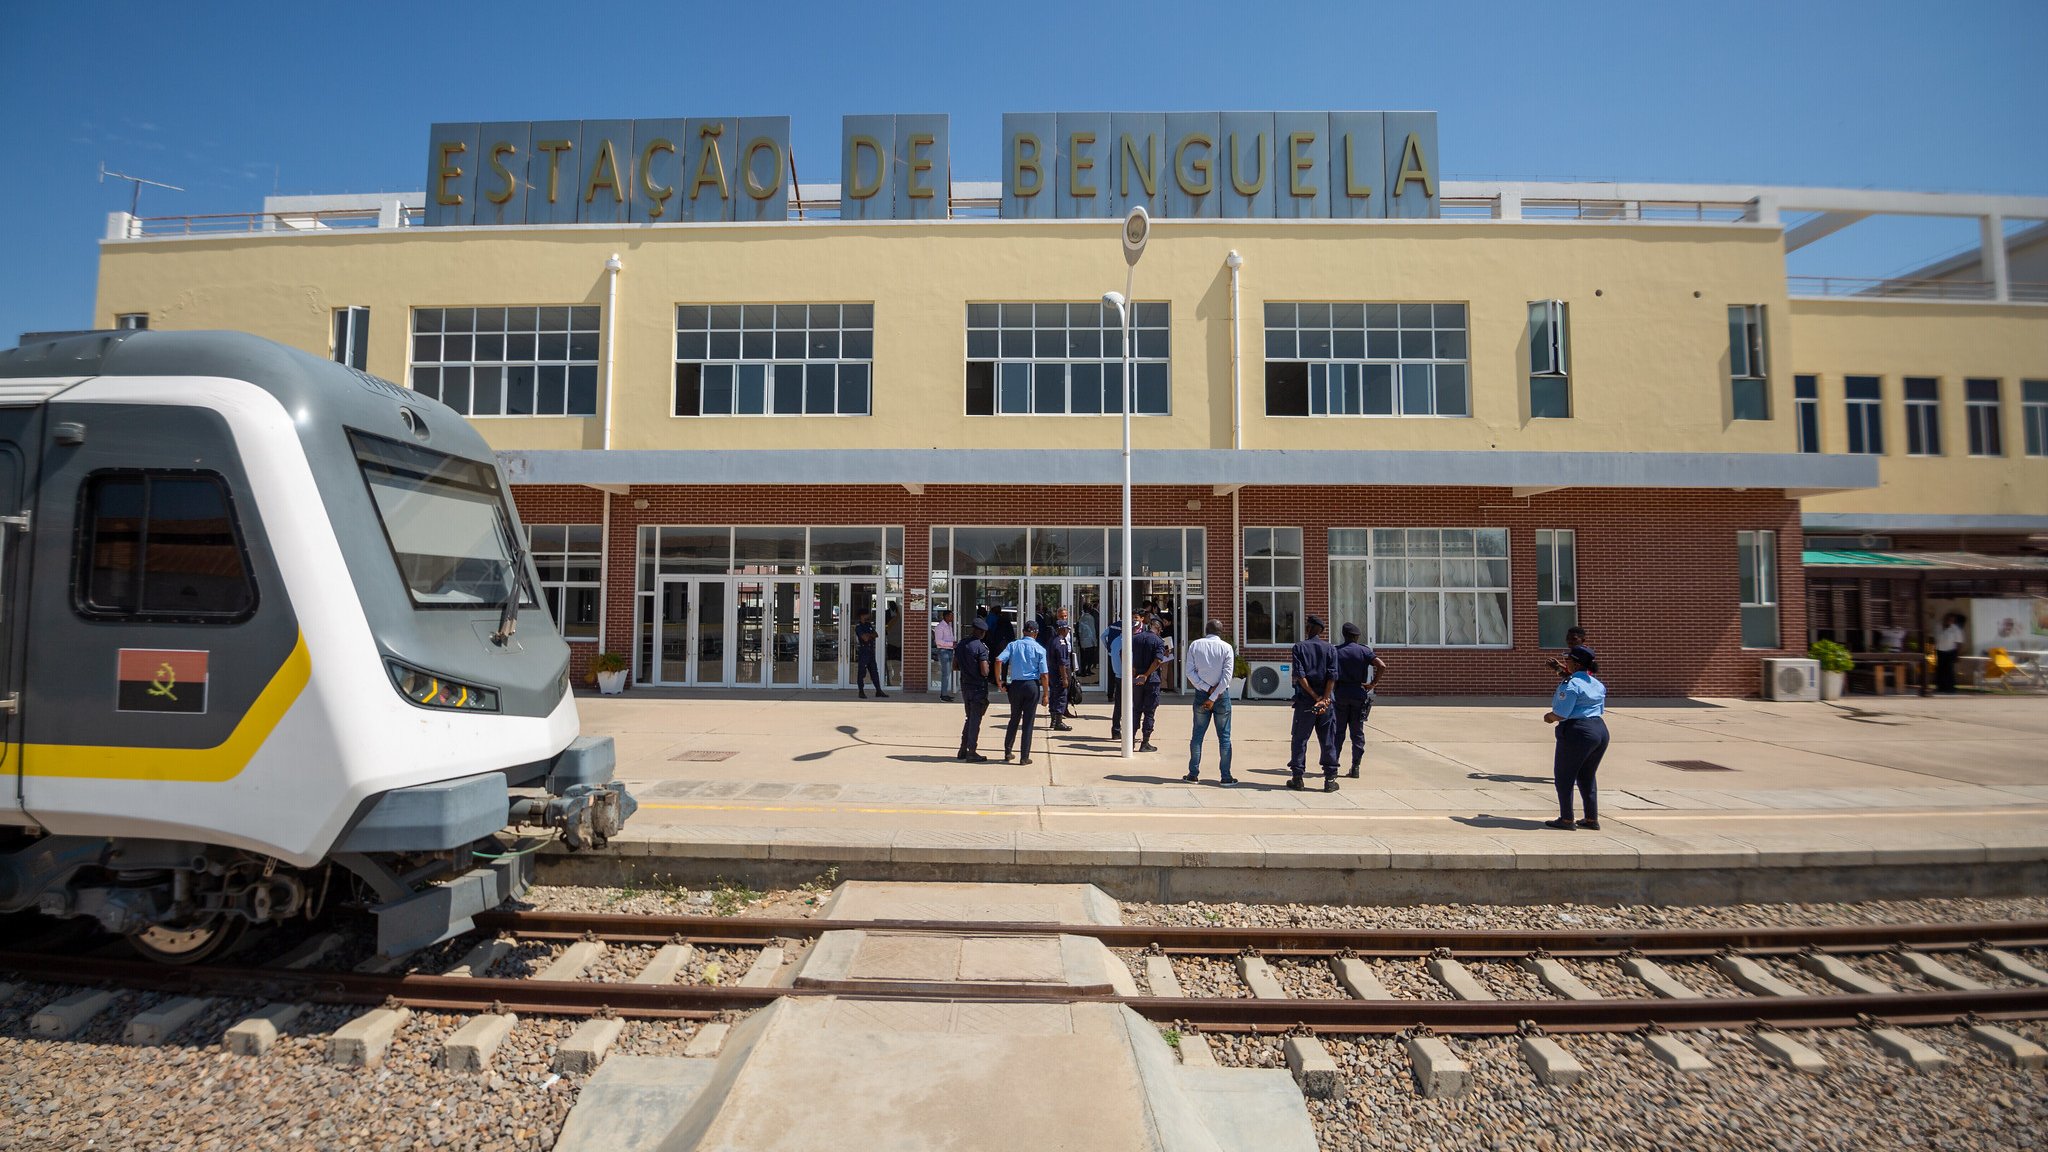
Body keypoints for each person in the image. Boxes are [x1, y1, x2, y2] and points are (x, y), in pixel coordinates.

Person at [1543, 645, 1609, 830]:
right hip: (1600, 730)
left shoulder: (1570, 684)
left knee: (1564, 776)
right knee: (1587, 776)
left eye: (1567, 660)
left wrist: (1549, 717)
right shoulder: (1596, 683)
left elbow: (1561, 713)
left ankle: (1566, 819)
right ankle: (1591, 818)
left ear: (1575, 663)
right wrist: (1560, 671)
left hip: (1577, 731)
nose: (1565, 663)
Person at [1288, 615, 1340, 791]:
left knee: (1300, 739)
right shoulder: (1331, 649)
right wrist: (1325, 698)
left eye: (1307, 626)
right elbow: (1332, 676)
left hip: (1306, 702)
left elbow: (1300, 675)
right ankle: (1330, 779)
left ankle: (1298, 777)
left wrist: (1314, 696)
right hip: (1326, 703)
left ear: (1310, 628)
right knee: (1327, 740)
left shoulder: (1299, 648)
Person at [1331, 622, 1390, 779]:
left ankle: (1333, 767)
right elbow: (1381, 665)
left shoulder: (1336, 651)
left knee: (1338, 732)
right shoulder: (1364, 650)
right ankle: (1356, 766)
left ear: (1344, 635)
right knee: (1357, 733)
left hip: (1341, 693)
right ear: (1357, 636)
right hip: (1359, 692)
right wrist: (1373, 684)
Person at [1182, 619, 1236, 786]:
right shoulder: (1227, 648)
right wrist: (1214, 694)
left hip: (1201, 695)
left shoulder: (1195, 645)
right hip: (1221, 696)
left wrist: (1206, 688)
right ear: (1221, 631)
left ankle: (1193, 774)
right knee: (1224, 738)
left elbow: (1189, 672)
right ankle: (1226, 777)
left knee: (1197, 736)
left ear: (1206, 630)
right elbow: (1227, 677)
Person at [997, 620, 1051, 764]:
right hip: (1031, 685)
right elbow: (1044, 674)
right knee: (1028, 722)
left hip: (1016, 686)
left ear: (1023, 632)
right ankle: (1024, 756)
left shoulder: (1013, 645)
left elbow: (998, 660)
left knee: (1014, 718)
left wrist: (999, 681)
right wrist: (1046, 694)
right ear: (1036, 633)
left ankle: (1008, 751)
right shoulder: (1040, 649)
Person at [955, 621, 993, 762]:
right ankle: (972, 751)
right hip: (978, 687)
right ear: (982, 632)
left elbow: (955, 665)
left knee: (969, 717)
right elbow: (984, 671)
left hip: (965, 685)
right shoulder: (980, 648)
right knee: (975, 719)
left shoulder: (961, 644)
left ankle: (963, 749)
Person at [1130, 614, 1167, 752]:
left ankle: (1131, 740)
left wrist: (1132, 668)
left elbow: (1123, 653)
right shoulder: (1158, 641)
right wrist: (1146, 675)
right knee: (1149, 712)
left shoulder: (1136, 638)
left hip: (1136, 679)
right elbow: (1158, 661)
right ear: (1158, 629)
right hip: (1151, 680)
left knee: (1136, 710)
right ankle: (1145, 742)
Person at [1047, 622, 1076, 732]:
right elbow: (1062, 663)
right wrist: (1064, 678)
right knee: (1061, 696)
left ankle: (1053, 720)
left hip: (1052, 673)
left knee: (1053, 695)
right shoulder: (1061, 642)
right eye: (1067, 629)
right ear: (1062, 629)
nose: (1068, 631)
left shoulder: (1052, 640)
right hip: (1059, 673)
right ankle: (1058, 721)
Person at [855, 609, 886, 699]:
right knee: (861, 672)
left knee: (874, 672)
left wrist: (868, 635)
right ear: (862, 615)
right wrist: (869, 635)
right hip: (863, 652)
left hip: (871, 652)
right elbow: (864, 638)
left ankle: (878, 691)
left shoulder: (868, 625)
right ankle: (861, 691)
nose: (868, 616)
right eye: (866, 614)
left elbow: (876, 634)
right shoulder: (858, 626)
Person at [1934, 612, 1966, 694]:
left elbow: (1959, 642)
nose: (1949, 621)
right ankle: (1941, 687)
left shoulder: (1955, 629)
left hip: (1950, 651)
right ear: (1945, 618)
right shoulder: (1938, 626)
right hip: (1940, 651)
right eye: (1948, 619)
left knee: (1949, 670)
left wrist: (1958, 654)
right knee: (1940, 670)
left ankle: (1950, 688)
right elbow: (1935, 639)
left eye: (1952, 620)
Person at [1105, 616, 1125, 740]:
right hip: (1126, 677)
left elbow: (1103, 637)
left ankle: (1116, 730)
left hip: (1118, 675)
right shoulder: (1128, 642)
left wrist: (1108, 650)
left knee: (1118, 705)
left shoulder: (1115, 641)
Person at [932, 609, 957, 703]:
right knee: (945, 674)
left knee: (948, 673)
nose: (952, 617)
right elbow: (938, 642)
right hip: (944, 651)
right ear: (946, 616)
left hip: (950, 651)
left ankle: (945, 693)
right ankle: (943, 695)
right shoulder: (940, 627)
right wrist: (951, 644)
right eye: (951, 616)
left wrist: (953, 643)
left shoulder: (949, 626)